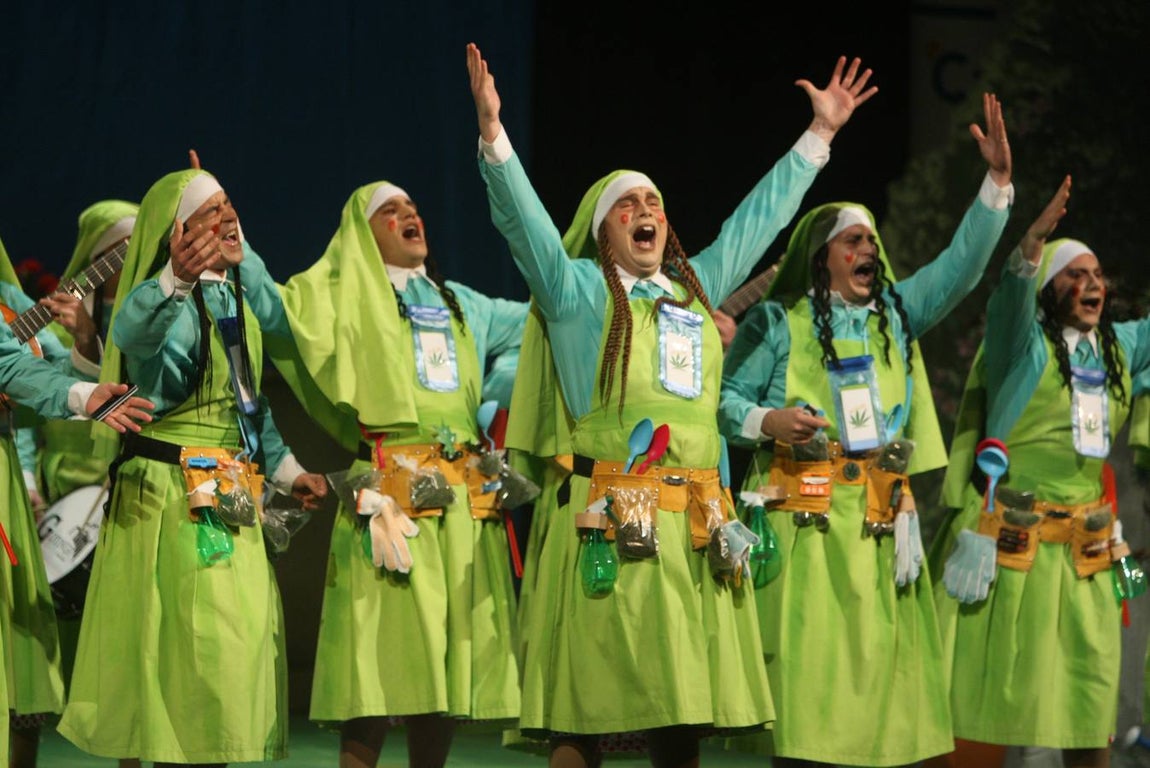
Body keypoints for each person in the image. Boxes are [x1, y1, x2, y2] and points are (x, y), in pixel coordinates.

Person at [468, 41, 875, 767]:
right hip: (609, 518)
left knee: (680, 711)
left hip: (693, 523)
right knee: (585, 712)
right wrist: (495, 136)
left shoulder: (692, 290)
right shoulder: (577, 293)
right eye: (627, 204)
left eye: (653, 200)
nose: (645, 210)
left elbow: (755, 223)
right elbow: (525, 228)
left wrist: (819, 135)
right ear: (604, 231)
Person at [717, 92, 1013, 767]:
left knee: (880, 713)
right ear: (822, 255)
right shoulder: (778, 323)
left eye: (872, 241)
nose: (867, 249)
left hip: (880, 529)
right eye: (853, 240)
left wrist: (996, 185)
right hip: (807, 535)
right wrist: (770, 420)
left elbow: (960, 268)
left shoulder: (895, 318)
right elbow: (722, 404)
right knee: (810, 710)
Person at [55, 169, 326, 767]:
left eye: (230, 204)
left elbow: (247, 405)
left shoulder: (237, 303)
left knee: (223, 660)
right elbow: (132, 333)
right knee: (159, 659)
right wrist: (174, 278)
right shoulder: (157, 299)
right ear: (177, 232)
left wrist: (289, 471)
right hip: (164, 498)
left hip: (227, 493)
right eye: (211, 209)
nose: (229, 216)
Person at [264, 179, 528, 768]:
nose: (410, 214)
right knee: (375, 662)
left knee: (440, 667)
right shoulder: (349, 300)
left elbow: (547, 322)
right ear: (363, 234)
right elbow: (275, 309)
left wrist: (496, 388)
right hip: (389, 497)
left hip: (459, 500)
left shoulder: (463, 302)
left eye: (413, 207)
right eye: (391, 210)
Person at [931, 177, 1135, 768]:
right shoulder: (1024, 345)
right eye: (1075, 274)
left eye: (1097, 274)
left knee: (1087, 703)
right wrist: (1031, 247)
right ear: (1049, 288)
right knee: (982, 700)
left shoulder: (1118, 350)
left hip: (1082, 554)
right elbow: (1008, 306)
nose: (1092, 283)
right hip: (1009, 548)